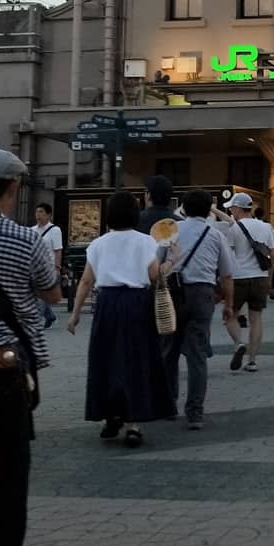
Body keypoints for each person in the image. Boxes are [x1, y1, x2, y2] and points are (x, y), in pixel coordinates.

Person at [0, 149, 60, 546]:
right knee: (10, 465)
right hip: (3, 366)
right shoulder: (26, 239)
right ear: (14, 187)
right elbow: (51, 294)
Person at [68, 191, 175, 447]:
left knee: (106, 361)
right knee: (136, 361)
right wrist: (171, 262)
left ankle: (109, 416)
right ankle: (133, 424)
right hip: (137, 304)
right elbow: (153, 276)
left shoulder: (98, 244)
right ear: (134, 214)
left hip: (106, 304)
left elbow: (86, 281)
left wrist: (74, 314)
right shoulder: (146, 242)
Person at [162, 189, 234, 429]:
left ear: (183, 208)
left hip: (174, 291)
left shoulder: (171, 229)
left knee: (168, 349)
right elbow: (227, 275)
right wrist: (229, 305)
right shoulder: (215, 235)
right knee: (197, 354)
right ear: (208, 210)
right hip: (203, 294)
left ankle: (168, 404)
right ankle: (195, 412)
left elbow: (156, 264)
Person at [223, 193, 274, 373]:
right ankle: (252, 361)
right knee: (256, 319)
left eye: (231, 208)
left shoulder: (234, 229)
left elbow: (228, 256)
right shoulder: (266, 227)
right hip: (260, 277)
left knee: (231, 315)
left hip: (238, 278)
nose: (230, 211)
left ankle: (239, 343)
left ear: (238, 208)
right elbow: (272, 255)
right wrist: (269, 279)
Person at [31, 202, 63, 328]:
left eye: (41, 212)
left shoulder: (55, 230)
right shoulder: (32, 230)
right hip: (33, 268)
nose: (38, 215)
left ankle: (35, 324)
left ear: (49, 215)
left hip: (48, 268)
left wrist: (57, 268)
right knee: (37, 295)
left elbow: (58, 250)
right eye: (37, 212)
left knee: (41, 296)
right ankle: (49, 315)